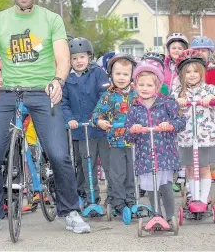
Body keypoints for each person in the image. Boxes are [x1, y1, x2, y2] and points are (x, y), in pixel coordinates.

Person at [0, 0, 90, 235]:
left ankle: (70, 210)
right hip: (10, 93)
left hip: (43, 92)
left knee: (59, 155)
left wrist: (58, 81)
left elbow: (62, 57)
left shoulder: (51, 19)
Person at [124, 60, 186, 226]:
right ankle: (155, 215)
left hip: (164, 153)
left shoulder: (167, 103)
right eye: (141, 84)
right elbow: (127, 134)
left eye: (149, 85)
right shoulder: (134, 108)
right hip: (145, 155)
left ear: (157, 87)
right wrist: (133, 129)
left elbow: (180, 122)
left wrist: (169, 125)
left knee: (165, 186)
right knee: (150, 188)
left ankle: (170, 217)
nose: (144, 88)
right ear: (135, 86)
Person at [62, 37, 111, 207]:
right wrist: (70, 119)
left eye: (82, 57)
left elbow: (104, 97)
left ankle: (112, 197)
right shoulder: (66, 78)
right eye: (74, 58)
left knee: (107, 163)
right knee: (85, 164)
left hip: (99, 129)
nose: (78, 61)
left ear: (89, 57)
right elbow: (64, 102)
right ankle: (91, 197)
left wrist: (98, 117)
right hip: (80, 131)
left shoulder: (98, 73)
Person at [92, 54, 138, 215]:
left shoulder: (137, 94)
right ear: (111, 74)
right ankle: (118, 201)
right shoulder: (108, 95)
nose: (121, 77)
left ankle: (131, 200)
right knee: (118, 174)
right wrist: (100, 122)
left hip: (135, 142)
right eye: (118, 74)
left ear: (132, 75)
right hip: (116, 142)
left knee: (131, 174)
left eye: (125, 74)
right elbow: (96, 115)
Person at [172, 49, 215, 207]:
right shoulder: (178, 92)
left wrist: (210, 98)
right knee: (190, 167)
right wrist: (179, 103)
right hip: (186, 137)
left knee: (204, 168)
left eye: (195, 71)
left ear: (202, 72)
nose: (191, 74)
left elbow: (214, 96)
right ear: (182, 74)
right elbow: (171, 106)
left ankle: (203, 200)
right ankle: (193, 198)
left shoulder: (209, 89)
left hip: (204, 137)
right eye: (188, 71)